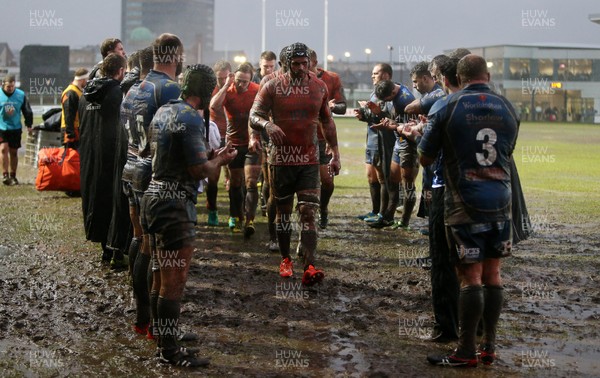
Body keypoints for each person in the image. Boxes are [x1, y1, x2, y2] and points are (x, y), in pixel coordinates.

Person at [419, 55, 518, 368]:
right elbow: (508, 150)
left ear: (457, 78)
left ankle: (465, 350)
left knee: (470, 277)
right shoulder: (507, 107)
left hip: (464, 203)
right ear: (487, 75)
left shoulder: (447, 107)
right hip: (502, 202)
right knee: (494, 274)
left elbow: (424, 156)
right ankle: (489, 345)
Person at [141, 64, 237, 367]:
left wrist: (209, 157)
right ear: (208, 89)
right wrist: (220, 158)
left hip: (153, 196)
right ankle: (169, 352)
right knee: (174, 280)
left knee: (159, 273)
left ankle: (162, 335)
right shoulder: (191, 118)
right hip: (174, 206)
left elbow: (174, 158)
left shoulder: (164, 111)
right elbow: (201, 172)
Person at [250, 42, 340, 285]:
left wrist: (335, 152)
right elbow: (253, 116)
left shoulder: (319, 87)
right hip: (281, 160)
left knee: (308, 211)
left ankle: (309, 265)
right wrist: (267, 125)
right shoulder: (272, 87)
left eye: (305, 63)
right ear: (286, 64)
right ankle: (286, 258)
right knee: (283, 213)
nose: (302, 68)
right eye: (297, 64)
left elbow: (328, 122)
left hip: (309, 159)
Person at [129, 34, 184, 342]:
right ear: (174, 55)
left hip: (131, 169)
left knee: (141, 241)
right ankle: (153, 326)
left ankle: (143, 319)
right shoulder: (168, 88)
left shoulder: (136, 87)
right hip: (155, 176)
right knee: (159, 254)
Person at [78, 53, 127, 264]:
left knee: (95, 201)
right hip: (112, 154)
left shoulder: (84, 94)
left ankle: (104, 248)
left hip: (89, 156)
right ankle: (116, 250)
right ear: (121, 71)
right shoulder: (117, 92)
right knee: (114, 202)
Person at [210, 62, 260, 235]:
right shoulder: (228, 90)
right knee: (236, 182)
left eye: (245, 81)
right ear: (234, 77)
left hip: (253, 143)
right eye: (238, 80)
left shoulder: (257, 90)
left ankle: (249, 221)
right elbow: (214, 106)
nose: (241, 84)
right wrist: (225, 85)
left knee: (251, 182)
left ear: (251, 80)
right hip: (233, 142)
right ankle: (235, 216)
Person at [368, 79, 416, 229]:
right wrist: (380, 114)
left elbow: (410, 128)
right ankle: (388, 217)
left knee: (407, 183)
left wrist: (390, 127)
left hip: (409, 145)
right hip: (399, 142)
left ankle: (405, 221)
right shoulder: (394, 91)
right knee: (393, 179)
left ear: (393, 93)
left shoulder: (405, 101)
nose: (386, 102)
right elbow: (395, 120)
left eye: (387, 99)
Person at [308, 49, 347, 229]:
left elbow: (343, 106)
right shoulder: (292, 80)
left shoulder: (331, 78)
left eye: (306, 63)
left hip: (323, 138)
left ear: (314, 62)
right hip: (302, 138)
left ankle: (323, 208)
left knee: (328, 180)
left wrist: (332, 107)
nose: (302, 68)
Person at [354, 64, 393, 223]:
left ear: (386, 76)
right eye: (372, 73)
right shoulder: (374, 92)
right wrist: (363, 114)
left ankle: (383, 214)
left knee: (382, 177)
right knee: (371, 176)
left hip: (381, 141)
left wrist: (372, 112)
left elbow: (385, 117)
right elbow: (373, 116)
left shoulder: (388, 93)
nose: (372, 76)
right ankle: (374, 210)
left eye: (376, 73)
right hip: (371, 139)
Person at [206, 60, 232, 226]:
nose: (223, 81)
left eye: (226, 77)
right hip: (215, 137)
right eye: (220, 78)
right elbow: (213, 107)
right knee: (213, 177)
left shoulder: (237, 88)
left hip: (232, 136)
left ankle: (234, 214)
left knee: (235, 179)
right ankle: (212, 210)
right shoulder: (210, 89)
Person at [0, 74, 33, 185]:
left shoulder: (21, 95)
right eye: (8, 87)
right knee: (3, 149)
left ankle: (13, 175)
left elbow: (27, 110)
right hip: (2, 127)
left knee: (13, 152)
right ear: (3, 85)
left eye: (12, 86)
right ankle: (5, 175)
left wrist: (29, 124)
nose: (10, 89)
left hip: (15, 128)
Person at [61, 68, 89, 150]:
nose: (88, 82)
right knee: (71, 160)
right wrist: (70, 134)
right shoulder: (70, 93)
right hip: (71, 131)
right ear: (82, 80)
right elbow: (68, 114)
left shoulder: (78, 91)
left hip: (77, 129)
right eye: (87, 80)